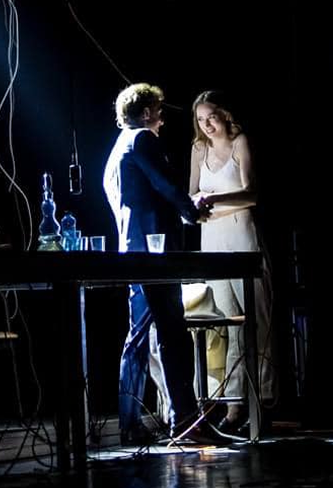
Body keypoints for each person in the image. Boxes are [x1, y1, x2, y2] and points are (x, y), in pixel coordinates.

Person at [103, 82, 224, 445]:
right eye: (157, 110)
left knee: (138, 339)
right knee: (173, 336)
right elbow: (166, 186)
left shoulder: (116, 149)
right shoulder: (142, 139)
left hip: (133, 253)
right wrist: (193, 210)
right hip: (155, 254)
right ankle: (186, 422)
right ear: (144, 113)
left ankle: (129, 424)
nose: (161, 119)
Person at [190, 90, 277, 433]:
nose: (207, 125)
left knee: (259, 325)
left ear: (225, 114)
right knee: (229, 326)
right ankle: (235, 405)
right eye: (200, 120)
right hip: (212, 241)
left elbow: (251, 192)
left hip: (242, 238)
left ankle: (265, 400)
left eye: (211, 117)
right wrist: (200, 204)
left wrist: (213, 200)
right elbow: (192, 195)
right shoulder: (198, 149)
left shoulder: (240, 141)